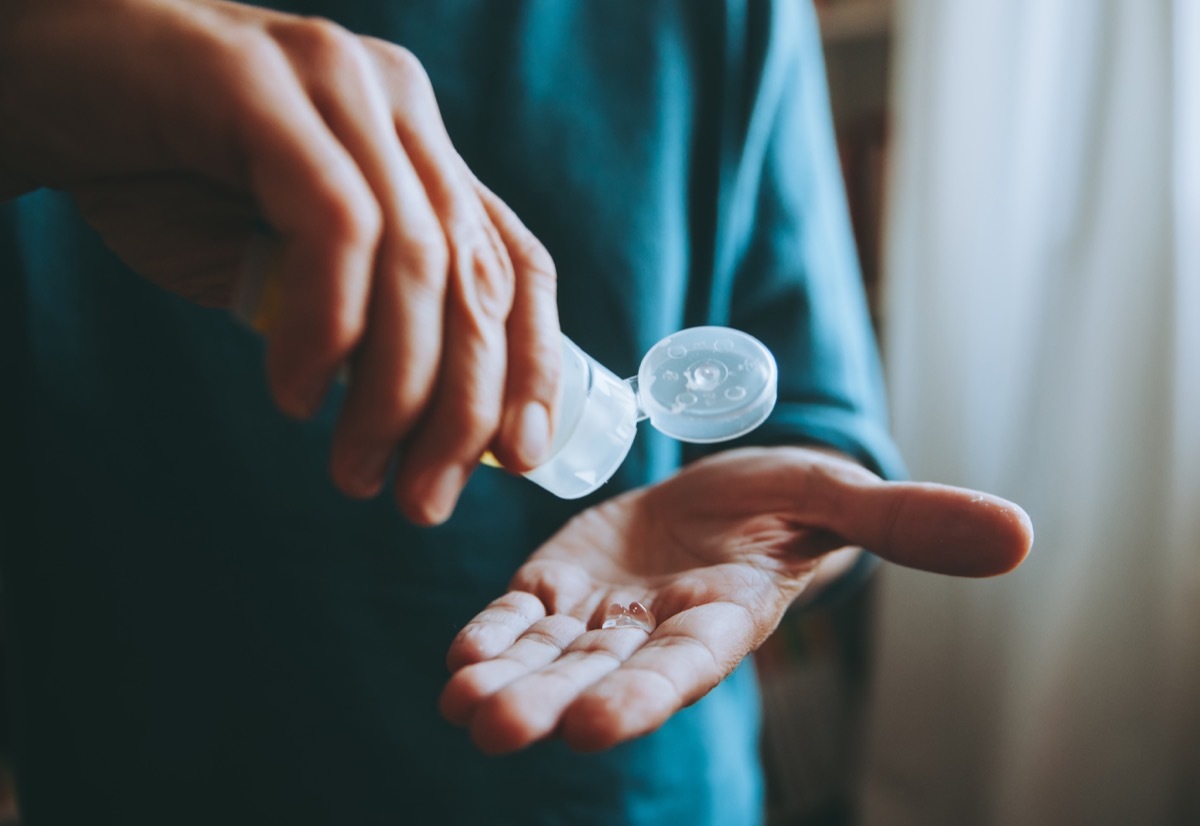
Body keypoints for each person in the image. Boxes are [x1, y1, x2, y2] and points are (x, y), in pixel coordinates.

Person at [0, 1, 1032, 823]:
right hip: (163, 772)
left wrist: (797, 524)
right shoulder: (65, 56)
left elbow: (815, 409)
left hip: (620, 781)